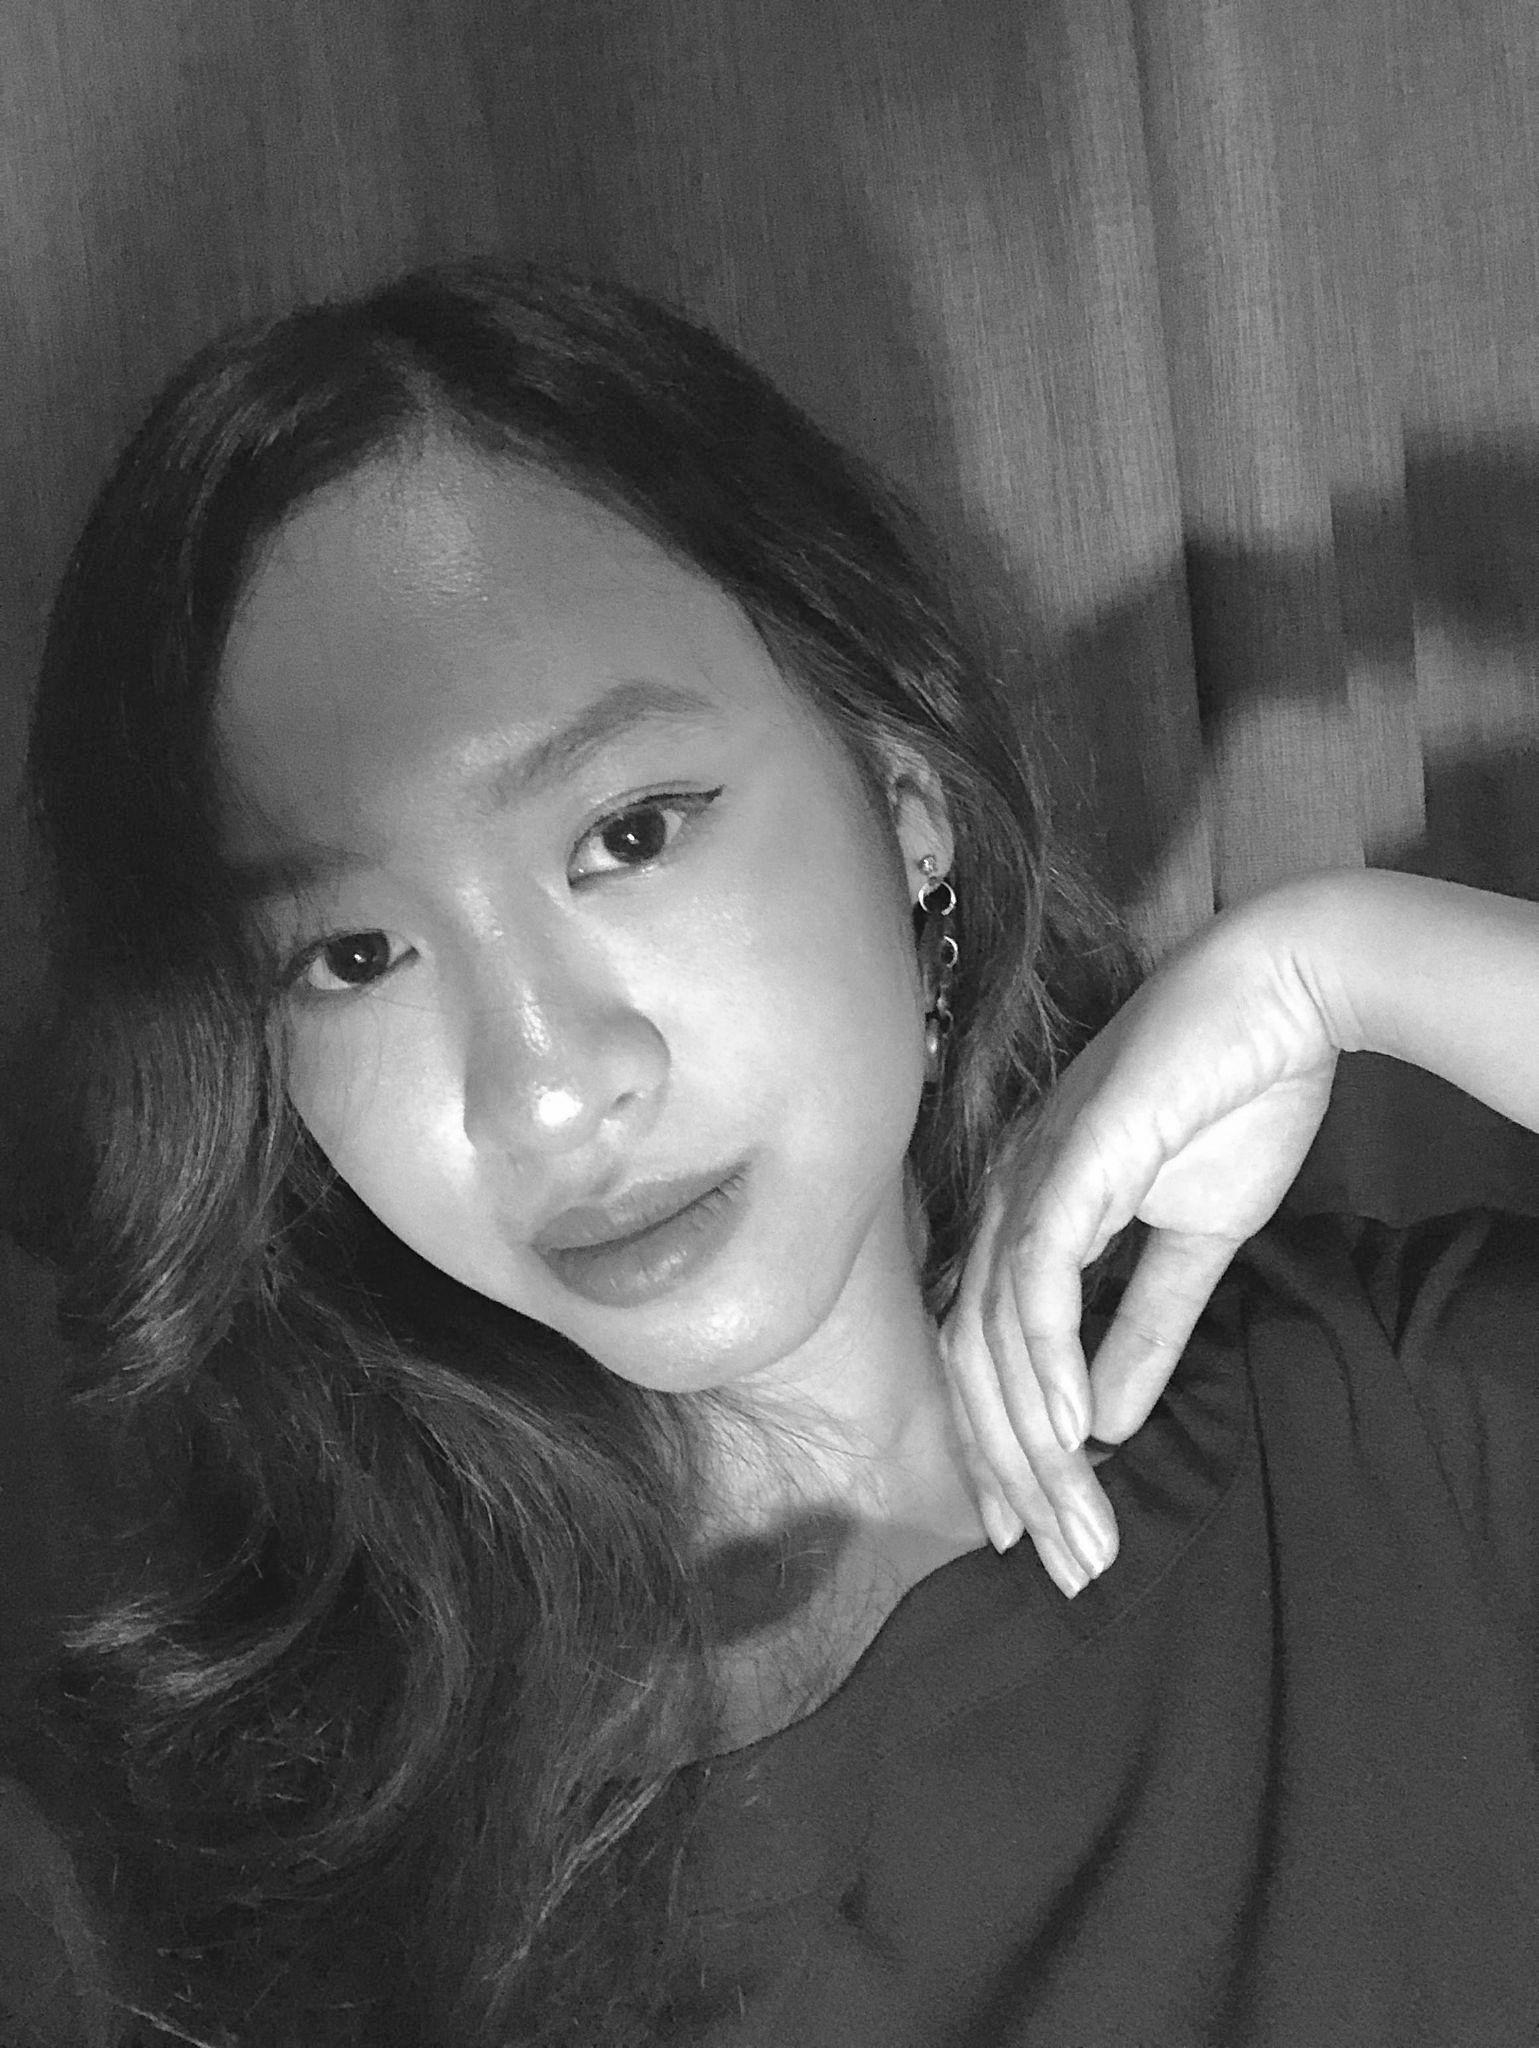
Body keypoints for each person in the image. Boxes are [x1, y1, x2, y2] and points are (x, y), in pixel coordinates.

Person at [0, 261, 1534, 2048]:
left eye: (629, 833)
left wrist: (1347, 960)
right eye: (353, 956)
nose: (547, 1090)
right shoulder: (163, 1889)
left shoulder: (1407, 1447)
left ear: (905, 797)